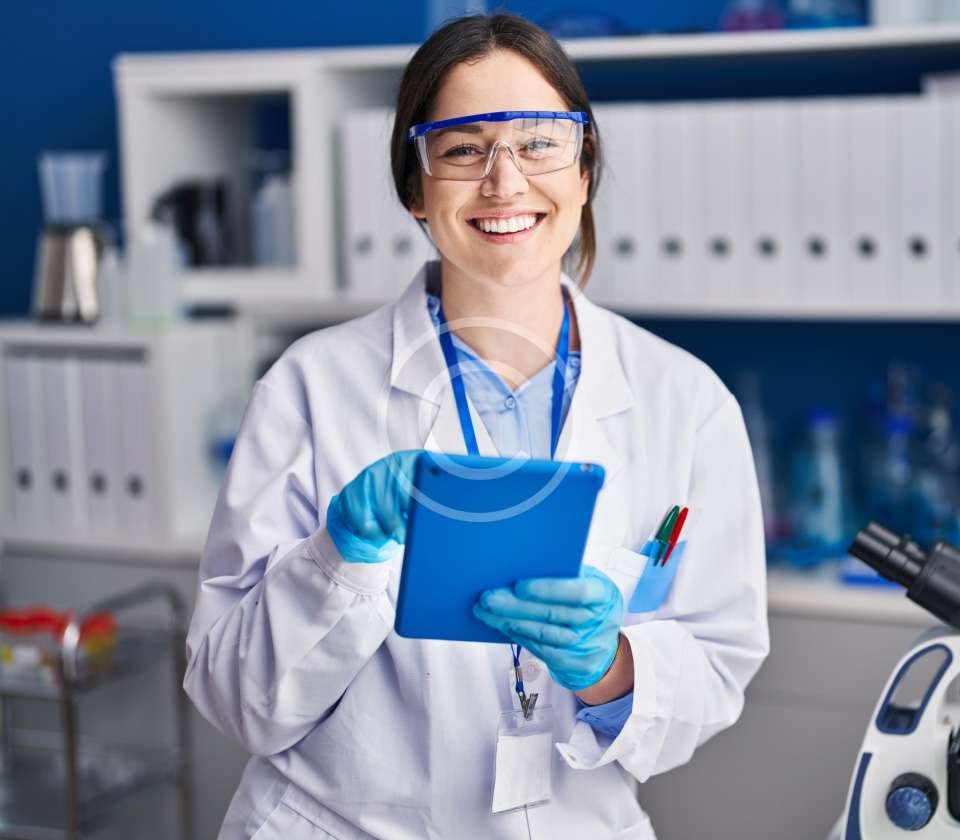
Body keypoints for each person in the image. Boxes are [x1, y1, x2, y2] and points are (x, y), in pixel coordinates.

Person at [185, 13, 769, 840]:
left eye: (538, 143)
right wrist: (335, 557)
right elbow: (235, 700)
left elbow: (720, 662)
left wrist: (614, 669)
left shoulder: (687, 399)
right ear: (416, 189)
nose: (504, 182)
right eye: (463, 149)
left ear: (585, 168)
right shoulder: (309, 387)